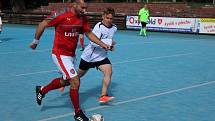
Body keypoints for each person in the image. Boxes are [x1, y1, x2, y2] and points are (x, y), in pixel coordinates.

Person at [29, 0, 112, 121]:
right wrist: (35, 42)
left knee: (65, 81)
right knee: (75, 81)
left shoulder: (83, 18)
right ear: (74, 4)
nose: (85, 10)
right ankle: (77, 113)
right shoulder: (60, 14)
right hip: (59, 54)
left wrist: (103, 44)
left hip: (71, 55)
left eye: (86, 8)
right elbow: (42, 24)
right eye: (82, 7)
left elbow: (88, 33)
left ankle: (42, 90)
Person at [78, 7, 117, 103]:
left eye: (111, 18)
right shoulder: (98, 27)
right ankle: (63, 82)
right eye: (107, 18)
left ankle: (103, 96)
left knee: (109, 71)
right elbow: (93, 43)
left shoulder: (114, 28)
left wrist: (110, 46)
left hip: (101, 57)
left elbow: (107, 42)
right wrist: (109, 42)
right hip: (89, 57)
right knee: (77, 76)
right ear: (103, 17)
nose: (109, 20)